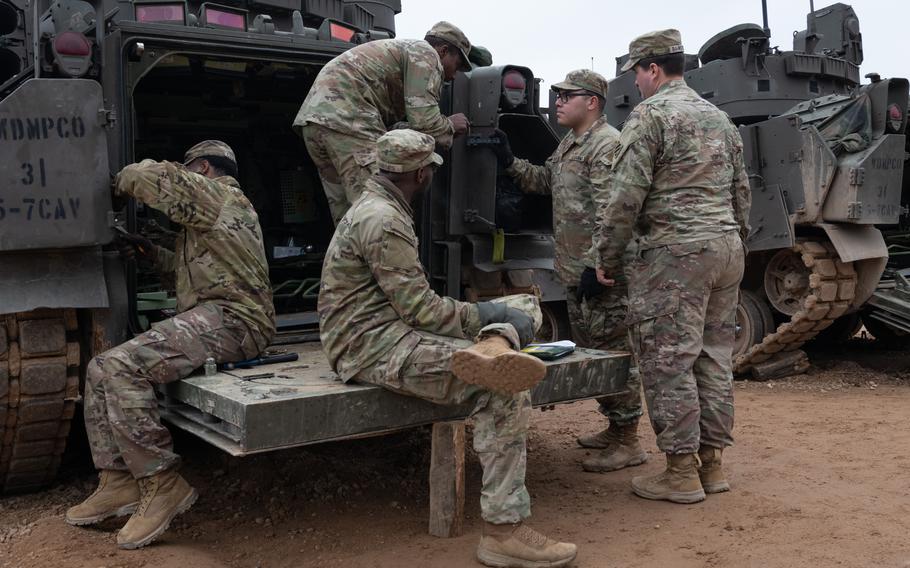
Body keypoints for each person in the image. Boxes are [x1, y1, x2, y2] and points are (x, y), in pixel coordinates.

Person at [318, 129, 578, 568]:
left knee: (522, 305)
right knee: (505, 392)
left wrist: (497, 312)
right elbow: (422, 311)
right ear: (422, 173)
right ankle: (503, 531)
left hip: (382, 331)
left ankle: (497, 345)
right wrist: (484, 313)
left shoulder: (376, 206)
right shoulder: (383, 220)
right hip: (370, 345)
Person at [66, 141, 276, 548]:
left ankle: (162, 482)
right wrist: (149, 253)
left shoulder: (219, 194)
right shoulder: (214, 217)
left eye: (188, 171)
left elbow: (147, 177)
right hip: (220, 315)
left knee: (121, 366)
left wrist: (115, 183)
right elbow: (194, 278)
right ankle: (118, 480)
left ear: (201, 168)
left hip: (237, 321)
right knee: (99, 367)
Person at [594, 30, 751, 504]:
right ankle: (712, 465)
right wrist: (732, 240)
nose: (636, 84)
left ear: (653, 70)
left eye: (637, 74)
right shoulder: (719, 117)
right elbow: (741, 192)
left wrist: (606, 256)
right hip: (724, 248)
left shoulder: (651, 115)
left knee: (669, 361)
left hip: (674, 255)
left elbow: (624, 197)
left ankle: (681, 471)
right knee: (713, 358)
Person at [490, 69, 647, 473]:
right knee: (596, 351)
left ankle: (629, 440)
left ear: (592, 102)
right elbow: (547, 182)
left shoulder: (606, 146)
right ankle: (615, 428)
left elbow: (613, 213)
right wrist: (510, 161)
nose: (557, 101)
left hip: (602, 275)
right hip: (578, 273)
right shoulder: (571, 146)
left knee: (615, 355)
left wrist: (601, 265)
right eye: (557, 95)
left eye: (566, 95)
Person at [293, 21, 473, 224]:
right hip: (348, 118)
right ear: (443, 50)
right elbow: (425, 122)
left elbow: (403, 126)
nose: (454, 76)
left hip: (317, 123)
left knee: (349, 218)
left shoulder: (402, 52)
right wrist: (450, 125)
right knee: (377, 209)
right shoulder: (426, 54)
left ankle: (349, 256)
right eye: (457, 65)